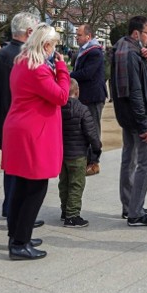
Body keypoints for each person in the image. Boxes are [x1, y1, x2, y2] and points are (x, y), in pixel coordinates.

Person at [2, 23, 69, 260]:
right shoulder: (38, 69)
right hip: (34, 132)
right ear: (46, 45)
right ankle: (20, 242)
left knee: (20, 187)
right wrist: (62, 68)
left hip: (20, 129)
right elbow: (61, 96)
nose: (55, 50)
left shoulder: (21, 62)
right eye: (54, 46)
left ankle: (18, 234)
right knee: (35, 189)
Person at [0, 13, 44, 224]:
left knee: (12, 168)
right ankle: (17, 213)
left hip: (6, 117)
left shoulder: (4, 53)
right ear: (29, 33)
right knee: (20, 171)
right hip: (17, 118)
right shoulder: (21, 56)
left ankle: (10, 208)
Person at [111, 15, 147, 226]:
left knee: (129, 160)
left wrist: (146, 57)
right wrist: (144, 125)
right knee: (144, 163)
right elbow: (135, 92)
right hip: (138, 117)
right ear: (136, 34)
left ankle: (129, 206)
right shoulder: (130, 55)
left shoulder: (122, 48)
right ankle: (136, 212)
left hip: (126, 117)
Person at [59, 78, 102, 228]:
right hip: (78, 154)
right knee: (76, 185)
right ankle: (72, 216)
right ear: (77, 92)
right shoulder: (82, 109)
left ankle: (64, 210)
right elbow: (91, 133)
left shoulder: (57, 107)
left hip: (61, 153)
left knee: (64, 183)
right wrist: (97, 149)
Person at [69, 23, 106, 177]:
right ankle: (88, 159)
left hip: (93, 96)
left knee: (93, 130)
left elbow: (87, 73)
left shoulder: (95, 52)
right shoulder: (85, 51)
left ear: (88, 36)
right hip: (86, 96)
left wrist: (68, 75)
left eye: (79, 35)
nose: (76, 38)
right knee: (85, 129)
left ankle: (94, 162)